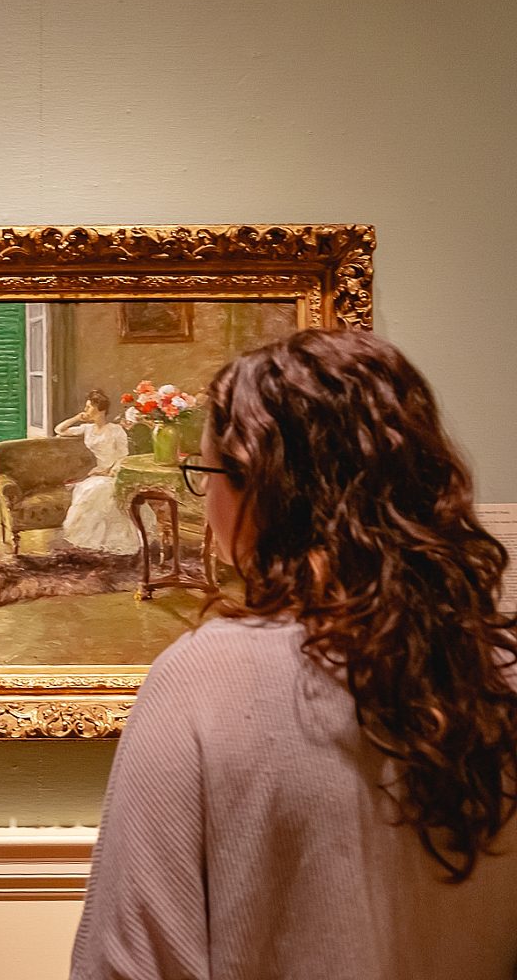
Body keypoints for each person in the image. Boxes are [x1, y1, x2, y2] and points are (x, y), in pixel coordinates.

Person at [71, 328, 517, 980]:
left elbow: (127, 966)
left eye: (208, 474)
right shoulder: (496, 673)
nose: (209, 499)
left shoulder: (202, 680)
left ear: (263, 488)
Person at [55, 390, 152, 555]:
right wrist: (77, 418)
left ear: (99, 408)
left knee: (99, 490)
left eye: (88, 407)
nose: (86, 410)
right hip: (98, 472)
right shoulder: (87, 429)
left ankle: (117, 541)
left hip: (116, 471)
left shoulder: (115, 430)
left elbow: (123, 457)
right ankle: (92, 542)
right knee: (89, 489)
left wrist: (108, 471)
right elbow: (60, 430)